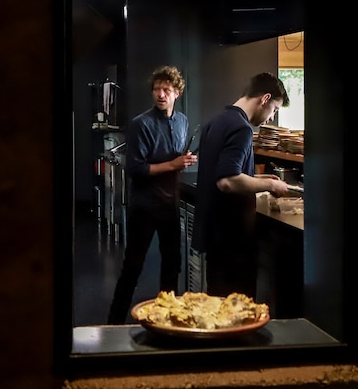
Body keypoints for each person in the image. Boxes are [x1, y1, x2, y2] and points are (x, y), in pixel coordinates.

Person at [106, 65, 199, 325]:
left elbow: (175, 158)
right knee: (132, 268)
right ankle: (112, 323)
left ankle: (168, 319)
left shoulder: (182, 121)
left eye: (166, 90)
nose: (161, 94)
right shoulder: (140, 124)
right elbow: (136, 168)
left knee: (172, 265)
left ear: (177, 93)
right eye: (157, 89)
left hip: (170, 204)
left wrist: (185, 160)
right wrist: (174, 164)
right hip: (144, 207)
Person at [192, 72, 290, 299]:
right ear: (264, 99)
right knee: (237, 314)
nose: (271, 118)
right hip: (232, 241)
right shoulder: (242, 128)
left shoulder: (215, 123)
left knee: (218, 309)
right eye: (274, 109)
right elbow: (227, 180)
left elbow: (223, 170)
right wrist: (269, 185)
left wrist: (261, 180)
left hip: (214, 237)